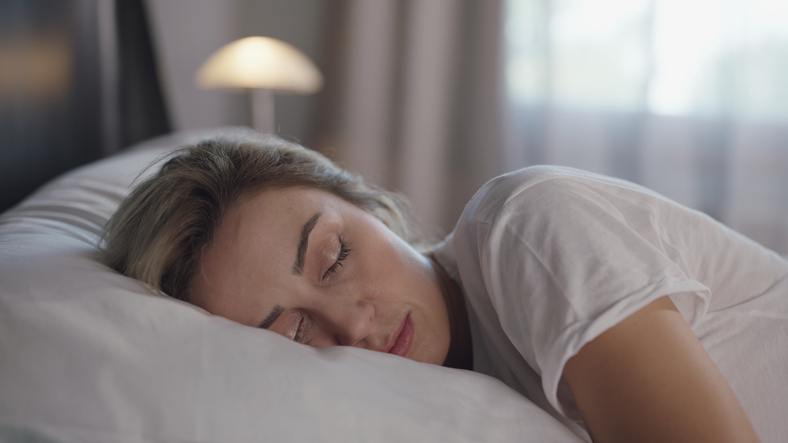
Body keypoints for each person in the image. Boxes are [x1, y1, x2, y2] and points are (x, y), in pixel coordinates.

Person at [103, 132, 787, 443]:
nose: (353, 324)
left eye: (334, 258)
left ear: (370, 205)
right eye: (294, 331)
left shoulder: (526, 223)